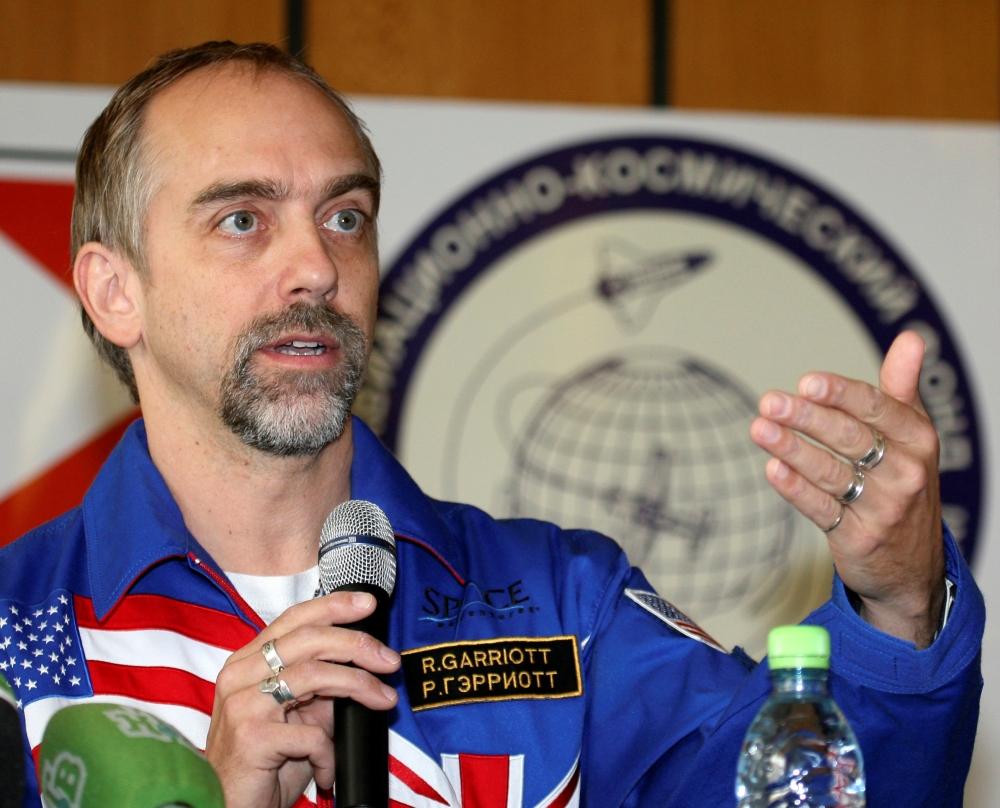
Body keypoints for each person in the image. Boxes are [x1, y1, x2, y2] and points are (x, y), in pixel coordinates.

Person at [0, 42, 983, 808]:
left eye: (345, 216)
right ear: (113, 290)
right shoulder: (14, 637)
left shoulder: (561, 603)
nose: (315, 265)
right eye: (243, 220)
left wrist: (897, 606)